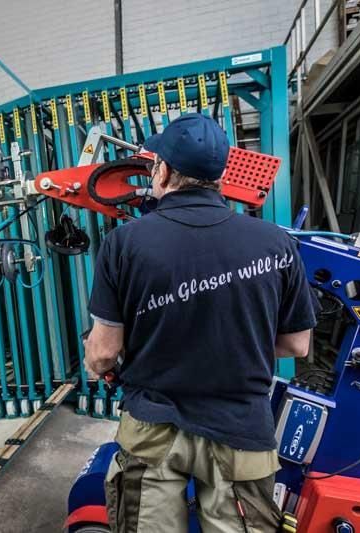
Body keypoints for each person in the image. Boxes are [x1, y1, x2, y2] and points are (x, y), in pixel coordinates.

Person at [84, 114, 316, 532]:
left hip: (153, 429)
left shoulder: (124, 243)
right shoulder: (276, 242)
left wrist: (101, 362)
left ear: (166, 171)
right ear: (220, 174)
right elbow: (298, 344)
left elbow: (102, 354)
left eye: (154, 164)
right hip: (242, 431)